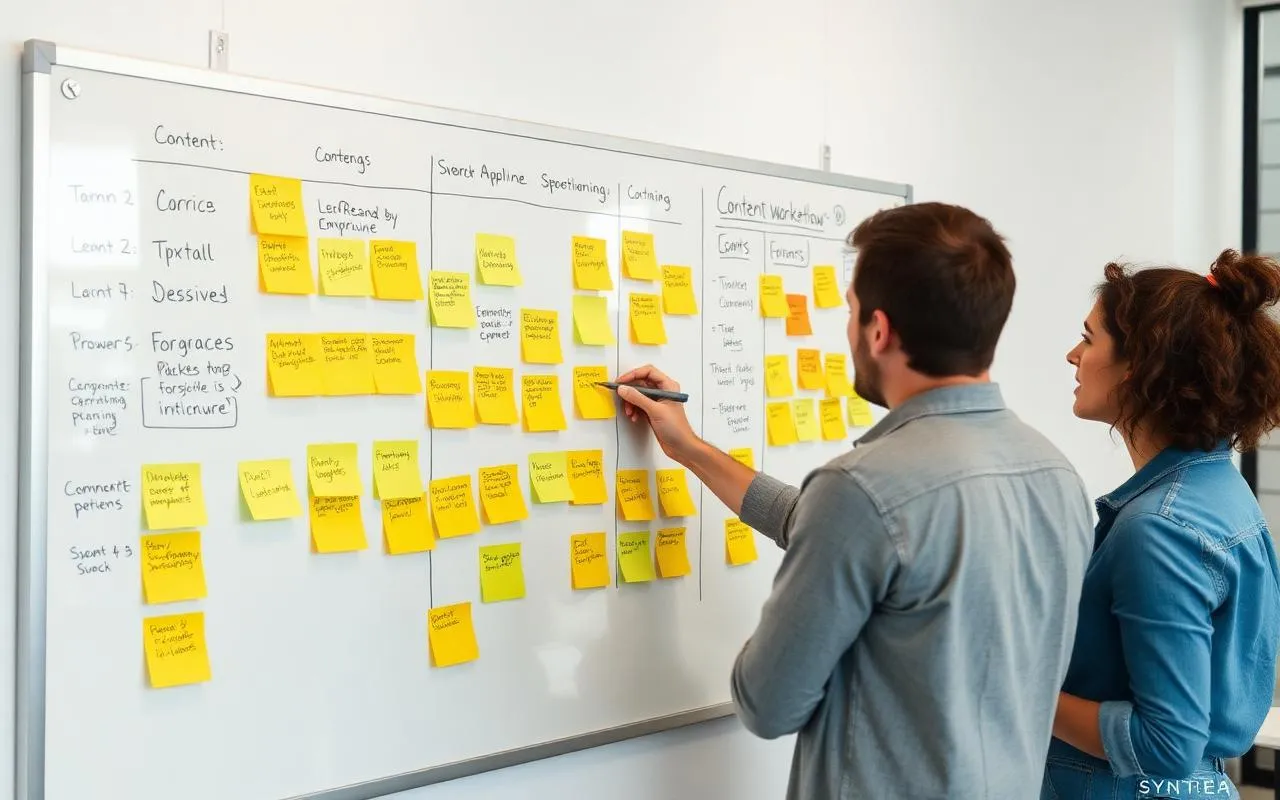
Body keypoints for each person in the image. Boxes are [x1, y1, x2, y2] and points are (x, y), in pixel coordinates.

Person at [614, 202, 1095, 799]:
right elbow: (855, 530)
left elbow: (768, 703)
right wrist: (690, 449)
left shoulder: (863, 490)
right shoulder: (1056, 474)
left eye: (850, 311)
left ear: (878, 329)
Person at [1046, 251, 1280, 799]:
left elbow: (1165, 747)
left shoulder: (1159, 529)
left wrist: (1019, 687)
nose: (1072, 355)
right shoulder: (1219, 490)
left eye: (1089, 338)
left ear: (1140, 365)